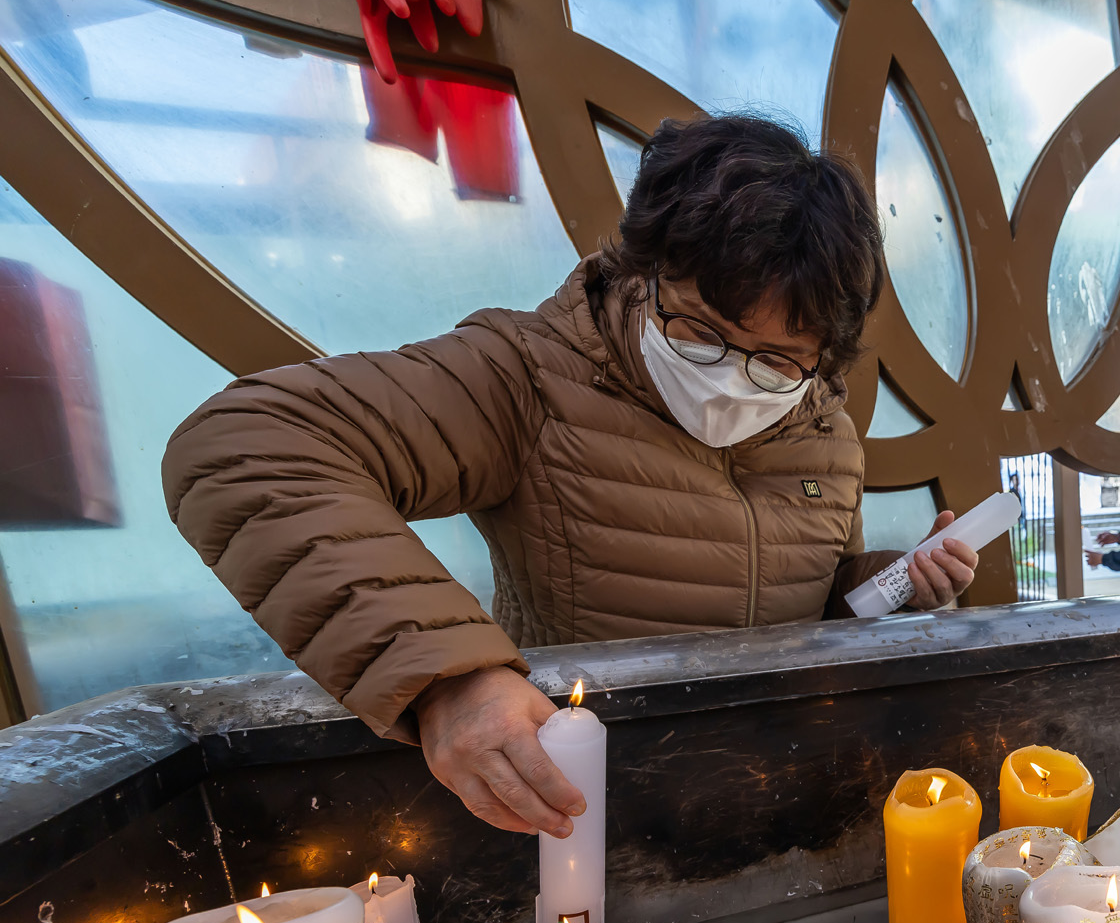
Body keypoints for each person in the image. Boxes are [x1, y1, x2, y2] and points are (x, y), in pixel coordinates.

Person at [162, 115, 980, 839]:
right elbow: (247, 445)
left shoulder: (824, 431)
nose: (731, 381)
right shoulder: (530, 376)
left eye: (776, 361)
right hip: (574, 813)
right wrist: (447, 679)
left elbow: (808, 599)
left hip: (774, 804)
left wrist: (893, 584)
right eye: (698, 333)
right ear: (645, 271)